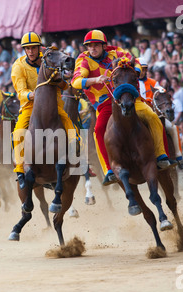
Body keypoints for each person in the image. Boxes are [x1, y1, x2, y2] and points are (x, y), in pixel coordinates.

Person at [72, 30, 175, 185]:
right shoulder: (84, 59)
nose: (92, 48)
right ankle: (109, 170)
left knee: (153, 116)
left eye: (96, 45)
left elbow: (137, 61)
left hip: (129, 97)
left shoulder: (115, 52)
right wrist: (95, 79)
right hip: (105, 103)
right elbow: (76, 81)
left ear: (104, 46)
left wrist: (137, 71)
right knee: (98, 130)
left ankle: (161, 156)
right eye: (89, 46)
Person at [11, 32, 78, 189]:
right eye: (27, 49)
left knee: (71, 128)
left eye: (33, 48)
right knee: (18, 132)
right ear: (24, 50)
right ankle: (20, 170)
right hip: (29, 107)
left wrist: (62, 79)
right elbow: (20, 91)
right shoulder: (18, 66)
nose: (31, 51)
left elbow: (64, 86)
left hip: (54, 105)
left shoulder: (50, 59)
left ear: (39, 47)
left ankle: (79, 161)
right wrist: (31, 94)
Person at [138, 58, 183, 169]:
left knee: (173, 128)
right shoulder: (132, 82)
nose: (142, 72)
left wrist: (161, 89)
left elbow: (161, 91)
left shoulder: (153, 82)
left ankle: (178, 157)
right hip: (139, 114)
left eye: (144, 69)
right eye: (140, 69)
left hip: (155, 113)